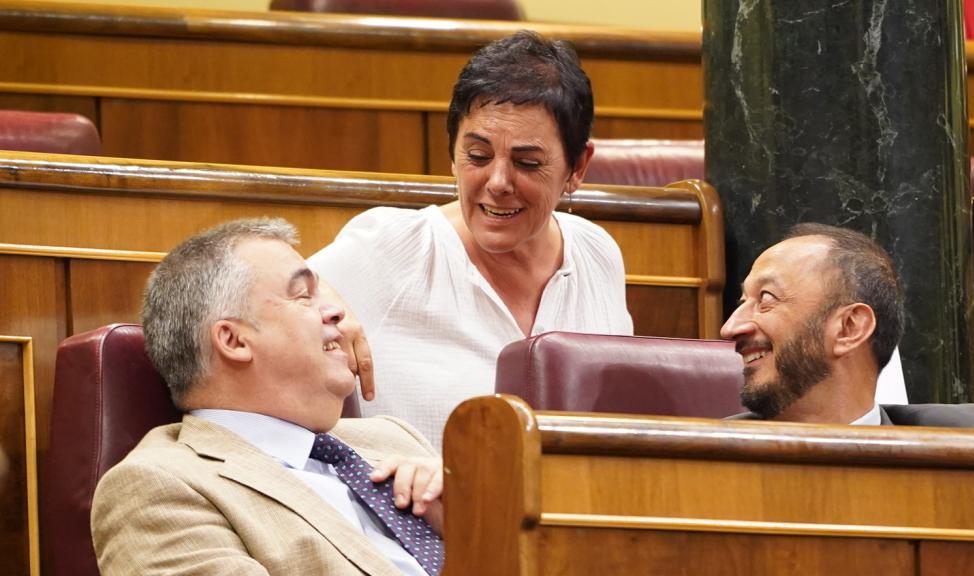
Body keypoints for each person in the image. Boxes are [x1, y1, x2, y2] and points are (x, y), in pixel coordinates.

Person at [309, 30, 632, 448]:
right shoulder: (393, 247)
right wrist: (319, 298)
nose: (497, 182)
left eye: (527, 162)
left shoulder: (597, 254)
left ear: (578, 167)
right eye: (477, 156)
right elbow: (245, 301)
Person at [91, 218, 445, 576]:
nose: (338, 313)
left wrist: (479, 530)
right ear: (234, 341)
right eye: (304, 295)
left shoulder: (395, 438)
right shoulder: (160, 488)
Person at [721, 223, 974, 428]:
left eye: (766, 299)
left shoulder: (968, 440)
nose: (730, 327)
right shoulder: (710, 456)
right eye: (742, 301)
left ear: (849, 328)